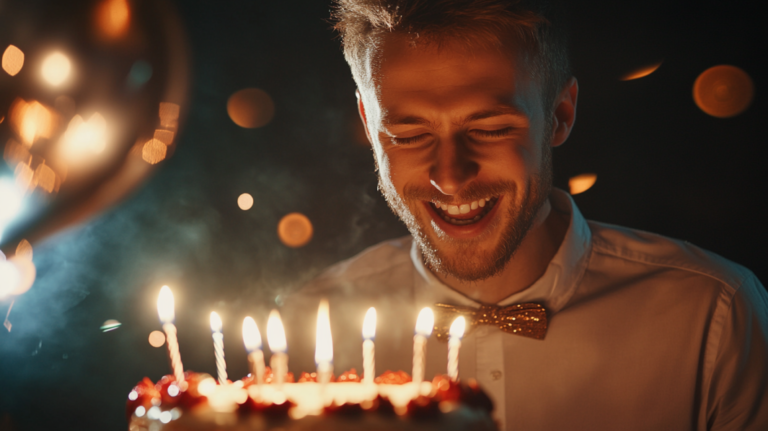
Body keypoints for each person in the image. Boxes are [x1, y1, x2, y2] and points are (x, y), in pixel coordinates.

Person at [284, 1, 768, 429]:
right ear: (369, 126)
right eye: (409, 136)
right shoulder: (306, 330)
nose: (450, 178)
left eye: (491, 128)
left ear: (560, 114)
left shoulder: (715, 318)